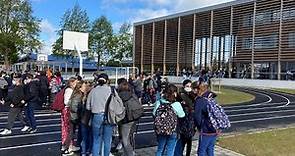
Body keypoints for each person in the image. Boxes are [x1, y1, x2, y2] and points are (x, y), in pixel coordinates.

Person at [153, 84, 185, 156]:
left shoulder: (159, 102)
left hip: (161, 129)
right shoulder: (176, 104)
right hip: (173, 130)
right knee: (170, 150)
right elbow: (182, 116)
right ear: (174, 93)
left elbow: (154, 114)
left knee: (160, 149)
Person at [86, 73, 113, 156]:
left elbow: (88, 107)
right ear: (107, 81)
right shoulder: (110, 90)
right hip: (108, 116)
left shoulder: (93, 91)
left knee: (96, 140)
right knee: (107, 140)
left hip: (96, 116)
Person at [192, 79, 218, 156]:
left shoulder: (200, 100)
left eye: (194, 89)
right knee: (210, 149)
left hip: (205, 129)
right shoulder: (211, 98)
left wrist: (199, 126)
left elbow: (197, 116)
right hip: (214, 127)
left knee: (201, 151)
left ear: (198, 89)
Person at [174, 79, 196, 156]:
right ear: (184, 86)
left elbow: (194, 105)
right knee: (182, 141)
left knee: (189, 141)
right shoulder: (181, 95)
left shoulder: (192, 95)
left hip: (191, 122)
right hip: (183, 121)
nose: (189, 88)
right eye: (187, 86)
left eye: (190, 86)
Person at [117, 81, 139, 156]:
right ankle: (129, 152)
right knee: (129, 137)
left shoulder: (119, 95)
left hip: (125, 119)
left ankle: (129, 154)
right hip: (134, 117)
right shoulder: (133, 94)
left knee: (124, 139)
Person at [61, 77, 79, 155]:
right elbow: (66, 102)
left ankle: (66, 145)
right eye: (75, 83)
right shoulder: (69, 90)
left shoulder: (68, 90)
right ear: (71, 83)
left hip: (67, 110)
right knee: (69, 129)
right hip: (68, 110)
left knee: (67, 129)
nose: (76, 85)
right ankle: (69, 146)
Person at [78, 81, 92, 156]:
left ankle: (83, 152)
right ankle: (88, 150)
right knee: (89, 136)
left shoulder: (83, 97)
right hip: (88, 119)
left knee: (84, 137)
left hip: (83, 119)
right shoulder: (90, 98)